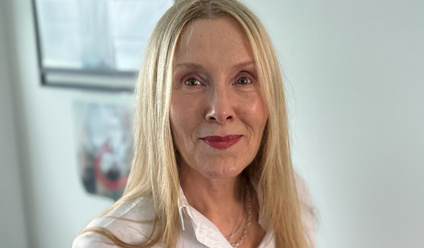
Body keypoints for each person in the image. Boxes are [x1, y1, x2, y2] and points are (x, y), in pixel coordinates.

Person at [73, 0, 315, 247]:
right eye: (192, 82)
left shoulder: (294, 200)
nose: (220, 111)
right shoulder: (110, 243)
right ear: (158, 102)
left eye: (243, 80)